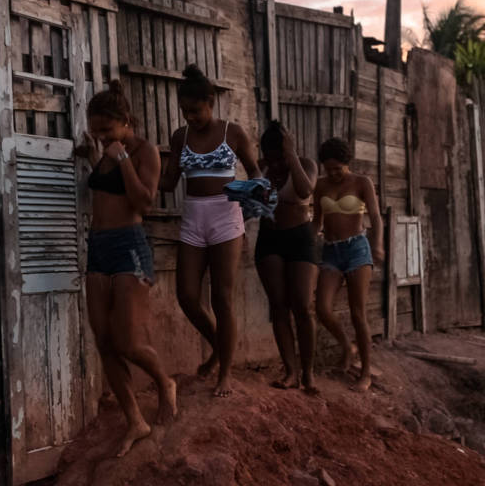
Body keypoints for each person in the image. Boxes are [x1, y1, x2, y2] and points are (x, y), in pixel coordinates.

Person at [74, 80, 177, 457]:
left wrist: (121, 159)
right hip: (97, 248)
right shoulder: (103, 152)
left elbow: (145, 201)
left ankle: (165, 383)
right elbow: (103, 192)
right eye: (96, 131)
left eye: (106, 130)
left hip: (129, 247)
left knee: (129, 341)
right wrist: (94, 158)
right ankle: (136, 420)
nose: (100, 137)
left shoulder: (144, 150)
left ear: (126, 122)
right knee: (104, 341)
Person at [160, 64, 262, 398]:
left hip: (226, 215)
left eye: (196, 110)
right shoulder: (180, 137)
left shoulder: (233, 133)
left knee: (221, 297)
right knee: (187, 295)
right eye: (185, 111)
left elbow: (255, 172)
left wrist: (247, 213)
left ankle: (225, 374)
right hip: (193, 217)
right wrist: (133, 175)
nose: (190, 117)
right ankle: (219, 348)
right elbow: (170, 181)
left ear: (211, 103)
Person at [312, 138, 384, 392]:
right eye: (328, 169)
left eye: (337, 169)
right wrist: (308, 243)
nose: (332, 174)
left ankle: (365, 373)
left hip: (357, 249)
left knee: (357, 313)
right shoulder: (320, 186)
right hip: (331, 251)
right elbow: (317, 222)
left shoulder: (362, 182)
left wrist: (378, 246)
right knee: (321, 307)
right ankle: (347, 346)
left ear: (347, 164)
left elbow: (375, 216)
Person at [254, 122, 319, 394]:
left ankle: (308, 373)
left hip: (300, 238)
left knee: (303, 306)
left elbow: (305, 191)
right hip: (269, 239)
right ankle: (290, 371)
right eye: (272, 158)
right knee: (279, 306)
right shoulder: (261, 166)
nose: (277, 164)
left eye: (280, 157)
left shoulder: (305, 164)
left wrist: (291, 157)